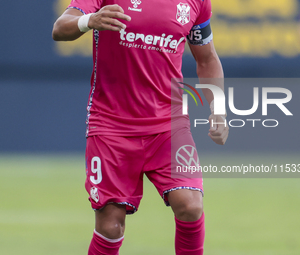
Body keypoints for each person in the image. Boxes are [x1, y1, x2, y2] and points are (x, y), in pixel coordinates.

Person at [52, 0, 228, 254]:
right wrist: (88, 21)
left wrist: (218, 109)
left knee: (190, 205)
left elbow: (207, 58)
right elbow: (60, 28)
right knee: (111, 226)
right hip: (111, 125)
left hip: (169, 124)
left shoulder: (197, 2)